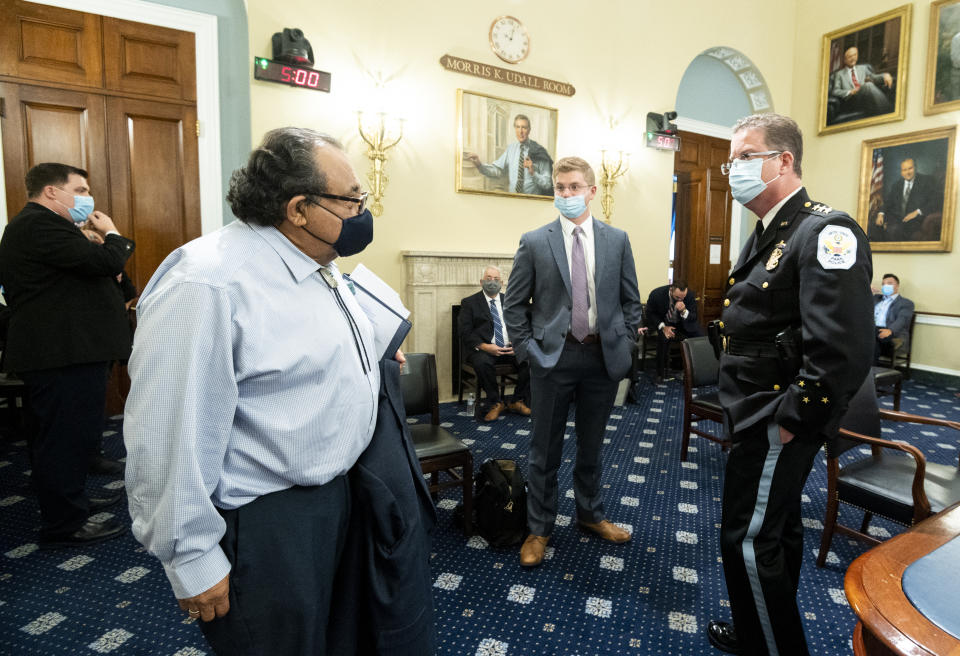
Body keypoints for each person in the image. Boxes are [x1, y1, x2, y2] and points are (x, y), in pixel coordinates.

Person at [124, 128, 432, 655]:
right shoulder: (210, 283)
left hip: (337, 496)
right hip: (267, 520)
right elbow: (168, 433)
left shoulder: (317, 262)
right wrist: (191, 556)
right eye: (352, 198)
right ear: (298, 208)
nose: (363, 209)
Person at [708, 113, 873, 655]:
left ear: (784, 161)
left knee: (749, 539)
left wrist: (793, 422)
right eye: (732, 159)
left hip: (777, 417)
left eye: (745, 156)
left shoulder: (826, 232)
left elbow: (842, 352)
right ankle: (761, 628)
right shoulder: (773, 229)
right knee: (776, 531)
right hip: (753, 408)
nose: (733, 169)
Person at [503, 156, 643, 567]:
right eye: (560, 188)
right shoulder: (534, 241)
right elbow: (515, 306)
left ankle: (590, 514)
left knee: (592, 445)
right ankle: (539, 528)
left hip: (602, 357)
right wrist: (529, 352)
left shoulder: (617, 239)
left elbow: (631, 299)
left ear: (592, 190)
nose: (567, 194)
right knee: (543, 449)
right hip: (553, 358)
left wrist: (627, 339)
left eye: (575, 187)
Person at [0, 163, 134, 548]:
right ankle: (64, 524)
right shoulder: (38, 225)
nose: (86, 197)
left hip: (70, 350)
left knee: (70, 438)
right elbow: (105, 263)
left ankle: (72, 503)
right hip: (59, 353)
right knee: (60, 440)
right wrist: (111, 234)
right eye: (80, 189)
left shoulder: (54, 228)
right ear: (52, 192)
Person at [458, 265, 532, 421]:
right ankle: (496, 403)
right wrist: (485, 346)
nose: (492, 282)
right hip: (484, 349)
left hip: (510, 347)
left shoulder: (510, 301)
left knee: (531, 358)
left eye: (496, 279)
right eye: (488, 279)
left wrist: (517, 344)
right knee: (482, 364)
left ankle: (516, 400)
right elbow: (464, 331)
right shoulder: (469, 303)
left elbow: (522, 325)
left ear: (502, 282)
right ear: (481, 282)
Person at [465, 114, 553, 195]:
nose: (520, 131)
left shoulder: (539, 151)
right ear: (515, 129)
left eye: (524, 127)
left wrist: (533, 173)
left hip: (532, 202)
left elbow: (547, 184)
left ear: (529, 130)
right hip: (512, 200)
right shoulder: (511, 149)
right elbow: (497, 171)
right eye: (518, 127)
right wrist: (479, 165)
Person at [644, 281, 702, 382]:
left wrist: (684, 311)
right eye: (677, 298)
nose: (680, 300)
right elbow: (650, 313)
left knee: (700, 337)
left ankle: (693, 372)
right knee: (664, 338)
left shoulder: (689, 295)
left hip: (682, 326)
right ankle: (660, 374)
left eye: (682, 298)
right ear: (671, 290)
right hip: (664, 323)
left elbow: (693, 317)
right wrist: (663, 327)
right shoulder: (657, 294)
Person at [873, 158, 940, 242]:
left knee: (894, 230)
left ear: (915, 168)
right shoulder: (897, 185)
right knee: (874, 227)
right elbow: (888, 202)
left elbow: (935, 201)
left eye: (910, 168)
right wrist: (881, 214)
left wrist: (917, 212)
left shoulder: (927, 181)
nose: (907, 172)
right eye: (904, 170)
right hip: (897, 219)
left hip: (917, 220)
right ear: (901, 172)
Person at [829, 46, 893, 120]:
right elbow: (835, 91)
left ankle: (887, 114)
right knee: (868, 85)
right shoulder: (839, 74)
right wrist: (850, 92)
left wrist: (885, 75)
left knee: (868, 85)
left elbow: (874, 77)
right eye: (850, 56)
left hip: (864, 97)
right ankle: (889, 112)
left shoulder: (863, 68)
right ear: (845, 60)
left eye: (855, 55)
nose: (853, 58)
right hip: (851, 101)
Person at [873, 273, 914, 363]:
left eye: (890, 283)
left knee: (871, 339)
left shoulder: (906, 303)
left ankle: (870, 370)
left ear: (897, 286)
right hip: (872, 330)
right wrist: (865, 291)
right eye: (883, 284)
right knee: (870, 337)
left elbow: (902, 319)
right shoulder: (875, 298)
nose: (886, 286)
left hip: (891, 332)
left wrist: (891, 330)